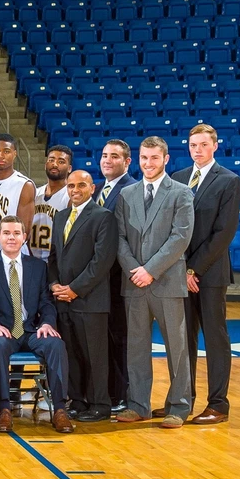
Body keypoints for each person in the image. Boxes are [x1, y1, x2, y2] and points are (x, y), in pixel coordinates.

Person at [114, 137, 195, 428]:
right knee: (136, 346)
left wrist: (150, 269)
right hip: (134, 282)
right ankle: (138, 404)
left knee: (177, 347)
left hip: (167, 281)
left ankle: (179, 407)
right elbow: (120, 238)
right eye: (144, 158)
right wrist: (135, 269)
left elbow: (180, 238)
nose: (148, 163)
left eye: (154, 158)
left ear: (166, 159)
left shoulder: (182, 193)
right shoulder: (127, 194)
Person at [172, 123, 240, 425]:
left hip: (210, 275)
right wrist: (181, 267)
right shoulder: (176, 179)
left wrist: (193, 268)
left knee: (215, 339)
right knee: (182, 341)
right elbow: (173, 229)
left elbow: (223, 233)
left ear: (215, 145)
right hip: (179, 273)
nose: (197, 150)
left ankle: (218, 404)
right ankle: (183, 402)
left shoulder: (229, 180)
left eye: (202, 144)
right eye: (192, 145)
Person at [0, 216, 72, 434]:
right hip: (3, 330)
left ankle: (59, 409)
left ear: (24, 238)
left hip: (30, 330)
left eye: (16, 233)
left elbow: (46, 302)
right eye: (7, 233)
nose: (12, 237)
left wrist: (47, 323)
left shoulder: (38, 267)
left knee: (56, 345)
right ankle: (4, 409)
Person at [49, 170, 117, 422]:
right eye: (70, 186)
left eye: (81, 185)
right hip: (63, 299)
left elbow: (102, 262)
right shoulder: (61, 216)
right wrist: (54, 283)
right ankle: (77, 400)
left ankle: (100, 404)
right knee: (73, 354)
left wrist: (75, 288)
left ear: (92, 188)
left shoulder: (103, 217)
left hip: (90, 300)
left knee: (95, 355)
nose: (75, 190)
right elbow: (54, 255)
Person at [93, 138, 138, 413]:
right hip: (100, 278)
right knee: (104, 337)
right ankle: (105, 391)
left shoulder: (131, 188)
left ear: (127, 161)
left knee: (120, 337)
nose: (108, 160)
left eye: (114, 156)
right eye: (104, 155)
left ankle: (122, 394)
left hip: (119, 276)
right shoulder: (98, 188)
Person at [0, 133, 36, 259]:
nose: (0, 155)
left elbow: (24, 230)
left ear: (15, 154)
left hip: (10, 255)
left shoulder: (25, 185)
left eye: (6, 151)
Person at [29, 145, 72, 263]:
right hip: (32, 259)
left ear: (69, 168)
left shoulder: (70, 197)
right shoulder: (35, 193)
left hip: (56, 262)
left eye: (61, 161)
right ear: (45, 164)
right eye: (51, 160)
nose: (55, 164)